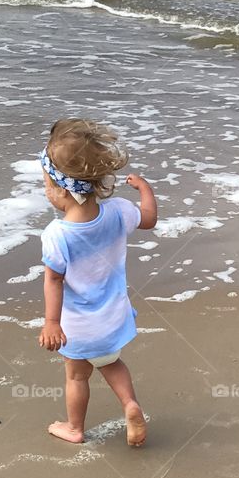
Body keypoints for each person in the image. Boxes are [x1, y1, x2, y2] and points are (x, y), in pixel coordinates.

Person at [38, 118, 157, 446]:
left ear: (62, 189)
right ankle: (130, 405)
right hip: (113, 317)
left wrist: (51, 323)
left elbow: (54, 280)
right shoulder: (118, 212)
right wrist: (145, 189)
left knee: (77, 375)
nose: (46, 191)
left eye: (47, 184)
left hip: (76, 326)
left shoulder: (57, 235)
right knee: (111, 363)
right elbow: (148, 219)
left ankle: (74, 427)